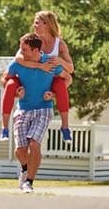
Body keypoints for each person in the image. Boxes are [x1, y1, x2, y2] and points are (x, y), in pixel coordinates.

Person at [5, 33, 70, 193]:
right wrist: (15, 92)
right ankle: (25, 168)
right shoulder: (18, 63)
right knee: (20, 150)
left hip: (43, 109)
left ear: (36, 50)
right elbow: (4, 79)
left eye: (25, 49)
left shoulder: (50, 62)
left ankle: (29, 182)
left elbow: (68, 78)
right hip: (23, 109)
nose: (21, 52)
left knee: (34, 144)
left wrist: (54, 95)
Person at [0, 11, 74, 144]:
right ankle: (4, 128)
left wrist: (58, 60)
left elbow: (70, 69)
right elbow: (18, 58)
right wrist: (39, 66)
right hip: (29, 77)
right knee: (10, 84)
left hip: (48, 79)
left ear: (47, 24)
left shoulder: (59, 44)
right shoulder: (33, 40)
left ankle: (65, 127)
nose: (34, 25)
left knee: (61, 85)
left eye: (37, 22)